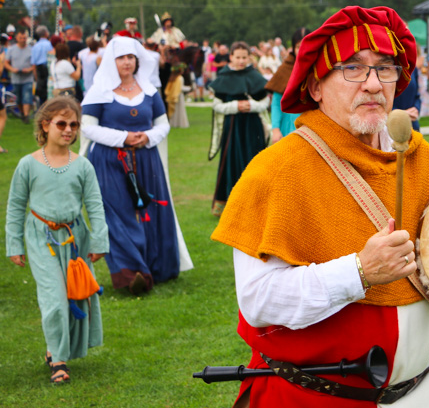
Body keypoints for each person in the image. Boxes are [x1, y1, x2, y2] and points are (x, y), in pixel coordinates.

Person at [202, 6, 429, 408]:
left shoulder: (420, 157)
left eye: (385, 67)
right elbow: (258, 302)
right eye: (353, 67)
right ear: (316, 87)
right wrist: (358, 272)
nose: (372, 83)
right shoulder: (275, 171)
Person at [6, 96, 109, 383]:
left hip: (76, 239)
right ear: (45, 125)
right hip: (41, 239)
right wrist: (14, 244)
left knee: (75, 294)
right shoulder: (28, 164)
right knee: (53, 299)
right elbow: (15, 206)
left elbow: (95, 204)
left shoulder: (83, 165)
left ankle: (58, 348)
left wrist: (100, 240)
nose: (68, 130)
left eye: (74, 124)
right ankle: (59, 360)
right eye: (61, 123)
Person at [80, 37, 193, 294]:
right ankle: (130, 275)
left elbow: (163, 123)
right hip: (109, 162)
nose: (127, 62)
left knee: (149, 213)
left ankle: (155, 266)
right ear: (112, 61)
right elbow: (87, 127)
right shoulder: (100, 90)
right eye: (121, 58)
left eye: (131, 57)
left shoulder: (149, 91)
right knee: (118, 215)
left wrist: (148, 137)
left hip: (145, 159)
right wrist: (122, 138)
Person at [208, 41, 270, 217]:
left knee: (254, 162)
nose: (241, 61)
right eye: (238, 57)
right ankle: (232, 204)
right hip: (233, 129)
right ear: (231, 57)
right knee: (233, 162)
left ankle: (257, 204)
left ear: (249, 57)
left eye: (244, 57)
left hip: (252, 128)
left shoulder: (255, 76)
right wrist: (236, 106)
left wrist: (251, 105)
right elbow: (217, 105)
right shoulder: (224, 77)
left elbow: (265, 102)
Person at [267, 28, 309, 144]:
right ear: (293, 48)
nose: (302, 50)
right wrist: (275, 129)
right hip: (288, 128)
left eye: (306, 45)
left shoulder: (320, 69)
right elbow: (276, 103)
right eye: (298, 46)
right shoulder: (285, 70)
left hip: (312, 129)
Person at [5, 29, 35, 123]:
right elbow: (6, 62)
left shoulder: (30, 49)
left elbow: (34, 63)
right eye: (21, 38)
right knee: (18, 99)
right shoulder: (11, 49)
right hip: (16, 78)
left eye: (24, 38)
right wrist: (12, 69)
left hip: (27, 78)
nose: (22, 40)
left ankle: (26, 116)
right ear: (17, 38)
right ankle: (22, 113)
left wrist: (30, 69)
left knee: (27, 97)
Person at [392, 49, 423, 131]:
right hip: (392, 125)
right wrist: (400, 113)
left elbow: (417, 96)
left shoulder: (413, 69)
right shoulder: (387, 70)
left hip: (412, 124)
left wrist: (416, 109)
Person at [31, 26, 52, 107]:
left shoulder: (35, 46)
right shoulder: (50, 44)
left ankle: (41, 109)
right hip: (49, 68)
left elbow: (33, 64)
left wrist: (36, 77)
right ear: (46, 33)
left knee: (41, 93)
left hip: (39, 70)